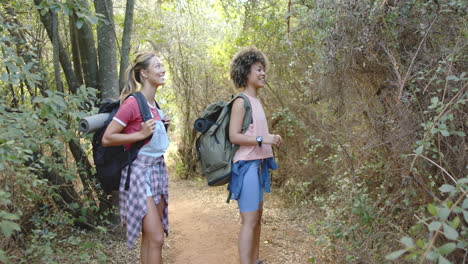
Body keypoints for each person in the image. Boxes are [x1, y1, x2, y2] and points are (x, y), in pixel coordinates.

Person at [102, 52, 170, 264]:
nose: (162, 70)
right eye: (157, 66)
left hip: (157, 172)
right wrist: (140, 134)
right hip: (139, 175)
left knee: (150, 238)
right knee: (157, 238)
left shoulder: (155, 106)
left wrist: (162, 126)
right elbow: (107, 137)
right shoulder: (133, 102)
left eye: (162, 66)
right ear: (144, 73)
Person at [228, 47, 283, 264]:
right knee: (249, 220)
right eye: (258, 69)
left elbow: (256, 134)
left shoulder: (257, 101)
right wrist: (262, 139)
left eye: (264, 70)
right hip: (246, 166)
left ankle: (255, 260)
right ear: (246, 72)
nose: (263, 74)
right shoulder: (241, 101)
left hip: (258, 165)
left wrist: (270, 137)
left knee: (257, 219)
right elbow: (234, 136)